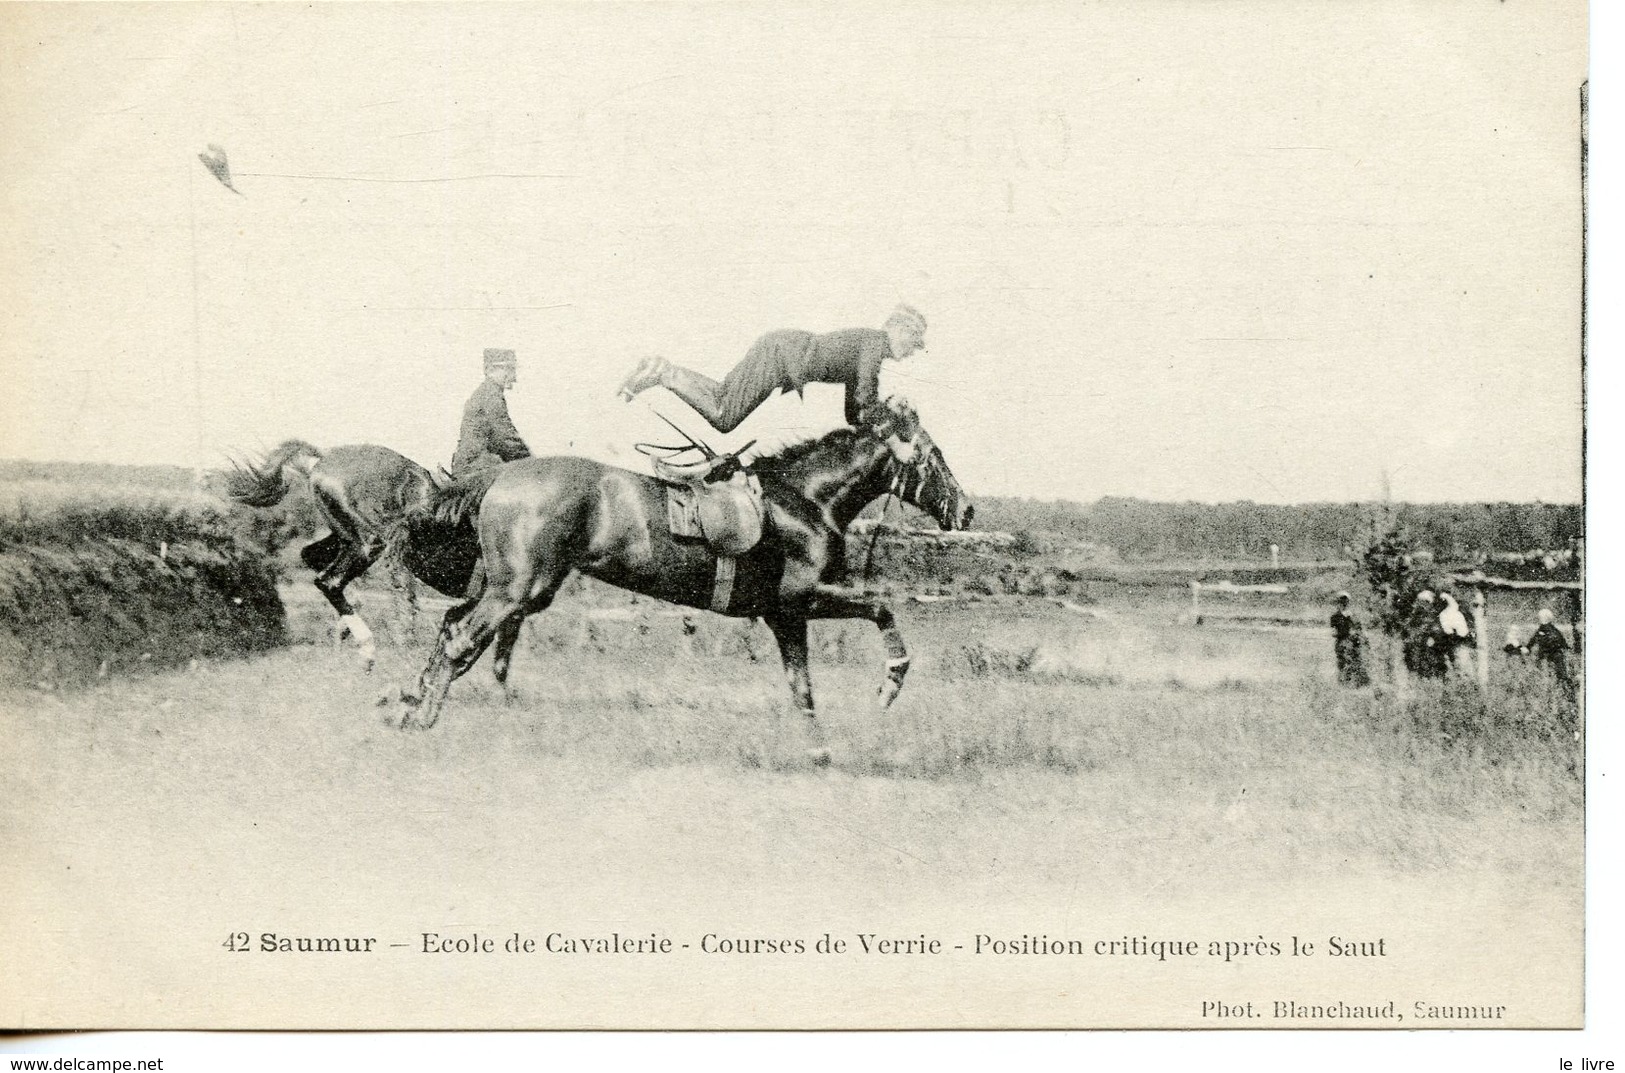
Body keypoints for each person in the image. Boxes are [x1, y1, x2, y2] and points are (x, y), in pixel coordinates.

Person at [615, 305, 928, 433]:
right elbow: (865, 398)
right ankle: (665, 374)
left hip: (780, 348)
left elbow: (853, 413)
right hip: (781, 356)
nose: (911, 353)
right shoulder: (874, 344)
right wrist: (893, 417)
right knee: (724, 418)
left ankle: (664, 370)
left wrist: (875, 420)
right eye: (914, 344)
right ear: (899, 332)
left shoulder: (869, 344)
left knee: (721, 395)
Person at [451, 348, 532, 475]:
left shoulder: (486, 392)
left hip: (474, 465)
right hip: (479, 467)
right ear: (491, 370)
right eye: (509, 370)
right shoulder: (491, 394)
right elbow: (505, 437)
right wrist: (530, 462)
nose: (514, 377)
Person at [1526, 607, 1576, 699]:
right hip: (1553, 656)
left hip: (1552, 656)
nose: (1539, 619)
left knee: (1558, 676)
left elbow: (1538, 640)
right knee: (1559, 676)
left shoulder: (1547, 629)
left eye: (1540, 617)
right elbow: (1535, 639)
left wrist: (1529, 648)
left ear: (1545, 618)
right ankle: (1565, 693)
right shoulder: (1550, 629)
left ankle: (1564, 694)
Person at [1330, 592, 1369, 687]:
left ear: (1348, 601)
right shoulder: (1335, 617)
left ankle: (1359, 684)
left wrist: (1363, 638)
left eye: (1345, 600)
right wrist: (1344, 634)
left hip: (1355, 641)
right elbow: (1334, 632)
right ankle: (1344, 684)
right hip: (1342, 642)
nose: (1344, 602)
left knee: (1358, 662)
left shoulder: (1354, 615)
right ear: (1338, 602)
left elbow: (1360, 629)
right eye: (1341, 600)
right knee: (1343, 663)